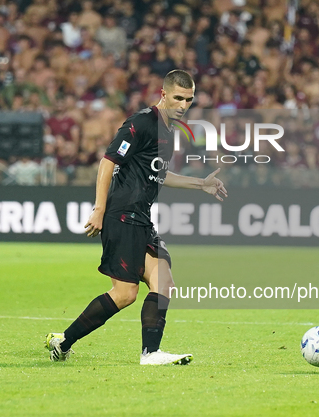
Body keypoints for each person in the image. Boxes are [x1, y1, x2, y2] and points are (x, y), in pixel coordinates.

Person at [45, 70, 228, 365]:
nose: (183, 105)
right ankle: (64, 341)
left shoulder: (168, 131)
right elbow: (108, 161)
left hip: (141, 217)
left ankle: (150, 353)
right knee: (125, 293)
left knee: (164, 283)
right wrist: (100, 209)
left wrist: (201, 184)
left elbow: (159, 173)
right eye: (178, 98)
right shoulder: (141, 122)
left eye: (189, 99)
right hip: (122, 215)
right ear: (163, 94)